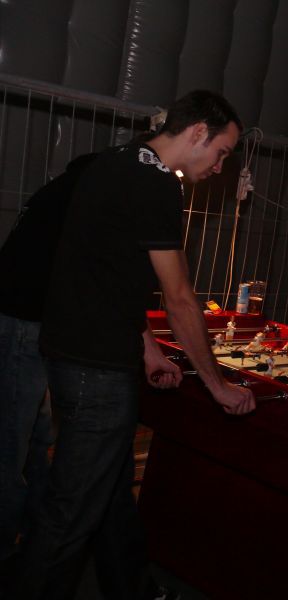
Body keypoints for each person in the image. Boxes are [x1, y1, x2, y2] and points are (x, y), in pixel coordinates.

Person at [12, 90, 256, 600]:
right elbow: (180, 298)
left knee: (106, 493)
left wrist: (148, 348)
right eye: (222, 153)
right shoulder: (155, 183)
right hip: (96, 369)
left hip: (73, 354)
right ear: (198, 132)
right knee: (71, 513)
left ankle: (132, 589)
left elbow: (109, 275)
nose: (220, 167)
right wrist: (216, 384)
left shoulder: (116, 161)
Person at [0, 154, 97, 578]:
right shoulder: (81, 197)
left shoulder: (60, 191)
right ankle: (8, 550)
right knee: (11, 445)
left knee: (34, 440)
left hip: (23, 323)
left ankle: (36, 540)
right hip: (21, 324)